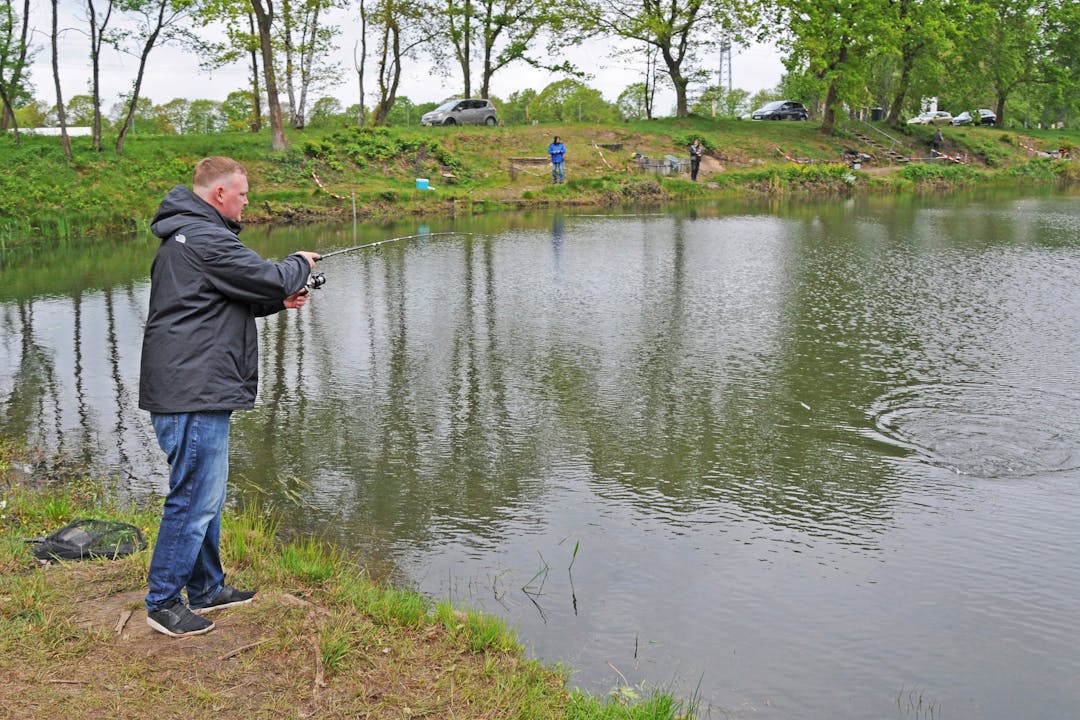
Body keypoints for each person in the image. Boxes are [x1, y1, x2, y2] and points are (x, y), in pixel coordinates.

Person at [139, 156, 320, 638]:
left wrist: (275, 302)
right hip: (191, 390)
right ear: (219, 194)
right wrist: (298, 265)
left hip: (192, 385)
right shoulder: (204, 236)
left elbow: (217, 301)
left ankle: (206, 587)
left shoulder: (187, 236)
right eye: (242, 195)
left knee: (207, 497)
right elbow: (273, 274)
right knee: (195, 497)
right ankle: (162, 602)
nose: (246, 203)